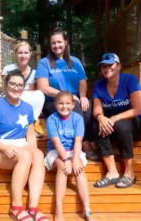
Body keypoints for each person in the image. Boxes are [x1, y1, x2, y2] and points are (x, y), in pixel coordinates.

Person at [0, 69, 48, 221]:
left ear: (23, 87)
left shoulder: (27, 107)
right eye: (12, 83)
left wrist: (33, 151)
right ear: (6, 84)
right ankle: (17, 207)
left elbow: (30, 134)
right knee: (25, 156)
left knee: (38, 155)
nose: (16, 87)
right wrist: (5, 148)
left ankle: (33, 207)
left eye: (19, 85)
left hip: (20, 143)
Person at [35, 27, 98, 160]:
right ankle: (84, 146)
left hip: (75, 97)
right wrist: (66, 96)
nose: (56, 45)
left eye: (59, 42)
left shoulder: (75, 61)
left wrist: (82, 96)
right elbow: (43, 87)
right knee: (74, 106)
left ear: (65, 42)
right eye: (53, 43)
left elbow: (82, 81)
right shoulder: (44, 63)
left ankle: (95, 143)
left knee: (90, 107)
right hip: (54, 100)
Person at [92, 53, 141, 188]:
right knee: (97, 125)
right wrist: (101, 118)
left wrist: (114, 118)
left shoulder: (131, 80)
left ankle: (129, 173)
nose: (106, 68)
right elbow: (97, 109)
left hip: (137, 123)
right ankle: (112, 172)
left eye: (110, 65)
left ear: (118, 66)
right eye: (103, 66)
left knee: (121, 125)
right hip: (113, 126)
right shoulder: (98, 85)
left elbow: (137, 109)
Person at [43, 91, 95, 221]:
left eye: (67, 103)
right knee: (63, 167)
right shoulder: (52, 119)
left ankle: (87, 210)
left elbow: (78, 141)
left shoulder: (77, 118)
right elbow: (56, 142)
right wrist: (66, 159)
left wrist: (75, 159)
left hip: (74, 150)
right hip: (56, 150)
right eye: (60, 103)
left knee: (79, 170)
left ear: (73, 105)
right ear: (55, 105)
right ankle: (58, 211)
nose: (64, 106)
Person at [1, 41, 45, 137]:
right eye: (20, 53)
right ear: (15, 54)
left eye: (26, 53)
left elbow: (31, 92)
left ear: (30, 54)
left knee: (39, 94)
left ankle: (31, 124)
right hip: (9, 98)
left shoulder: (33, 73)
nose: (23, 56)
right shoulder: (8, 69)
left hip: (23, 100)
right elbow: (7, 90)